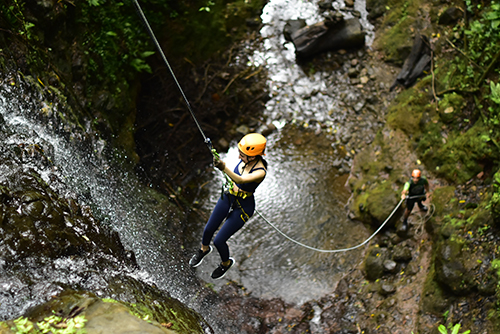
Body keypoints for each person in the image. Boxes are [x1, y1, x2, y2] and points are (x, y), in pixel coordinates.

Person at [189, 133, 268, 279]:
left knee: (219, 240)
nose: (239, 158)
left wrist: (223, 167)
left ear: (254, 156)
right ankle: (204, 249)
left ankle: (225, 263)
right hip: (229, 196)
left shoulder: (260, 171)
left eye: (243, 155)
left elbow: (241, 179)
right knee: (208, 229)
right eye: (239, 154)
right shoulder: (245, 160)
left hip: (243, 207)